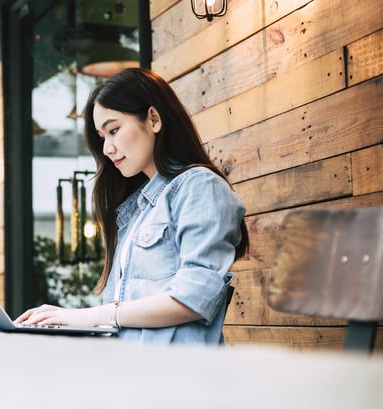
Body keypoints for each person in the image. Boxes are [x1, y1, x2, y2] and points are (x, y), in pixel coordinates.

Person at [15, 67, 249, 344]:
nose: (106, 149)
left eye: (114, 130)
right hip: (131, 373)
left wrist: (89, 316)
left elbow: (193, 299)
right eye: (102, 137)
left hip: (179, 377)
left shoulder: (198, 187)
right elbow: (126, 322)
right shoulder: (136, 210)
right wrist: (70, 320)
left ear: (153, 119)